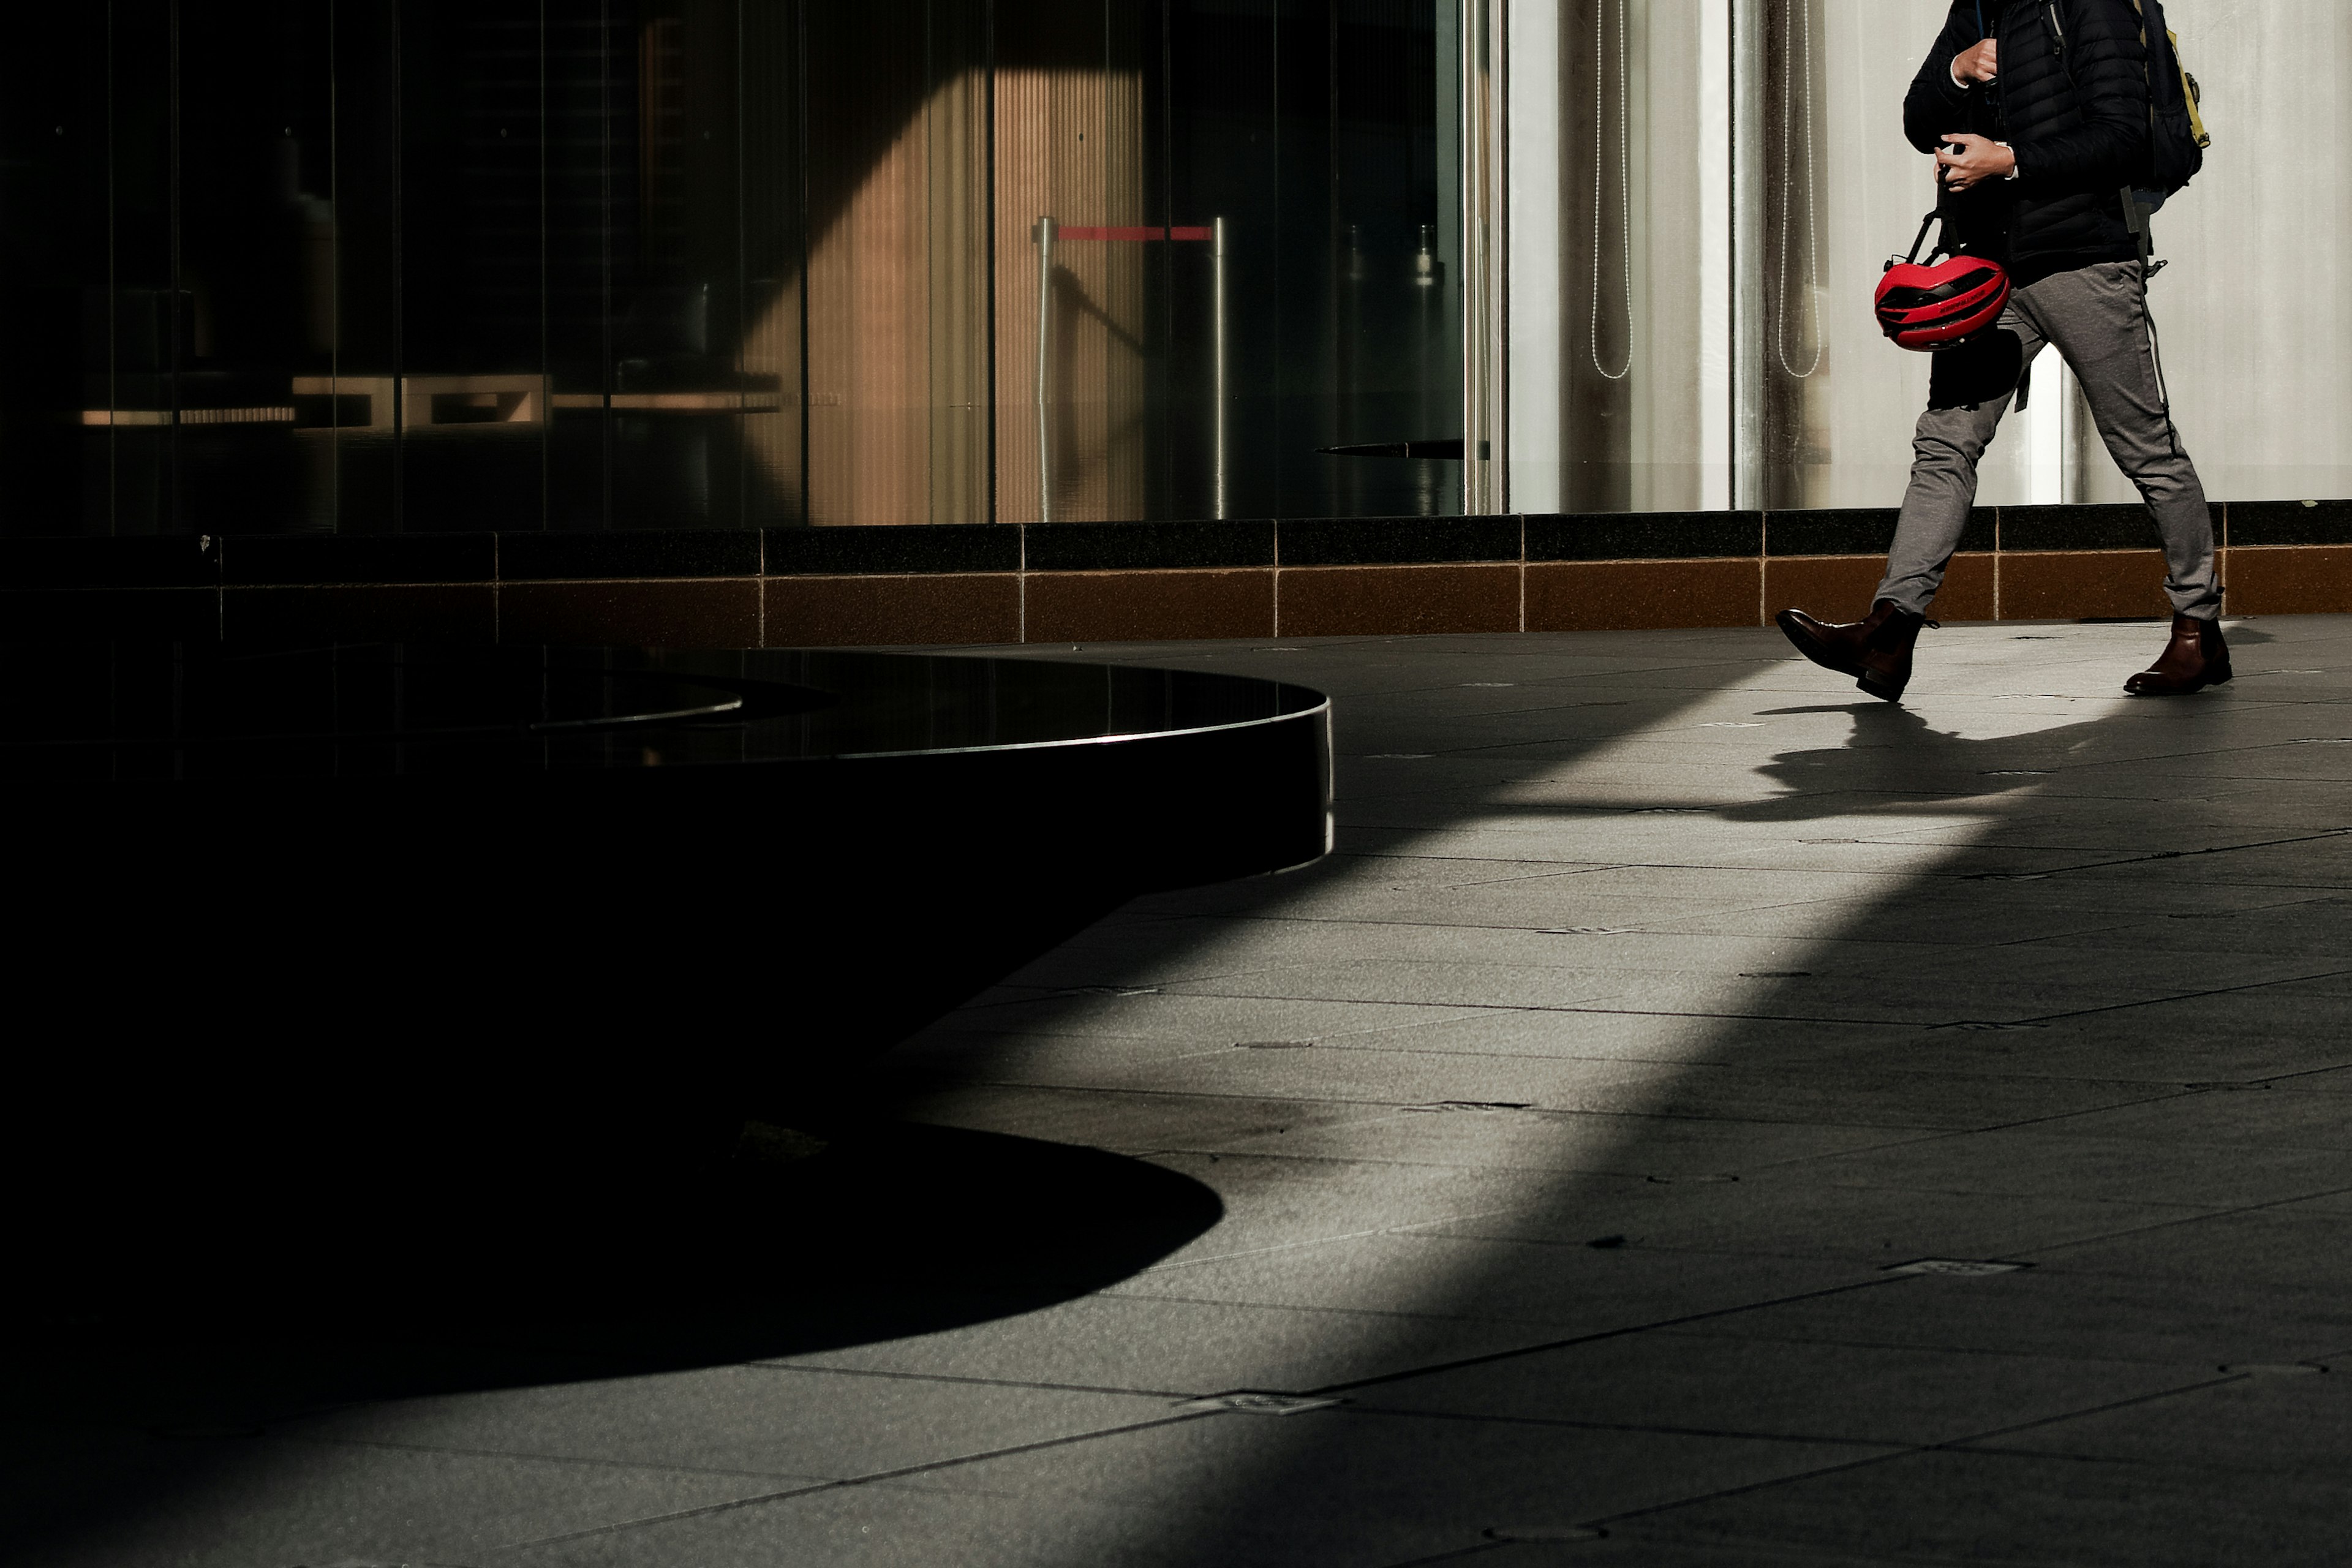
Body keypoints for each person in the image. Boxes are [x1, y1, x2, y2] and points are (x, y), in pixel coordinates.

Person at [1777, 0, 2226, 702]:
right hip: (1986, 272)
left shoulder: (2091, 4)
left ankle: (2198, 630)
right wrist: (1957, 72)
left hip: (2082, 262)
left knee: (2144, 446)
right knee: (1945, 441)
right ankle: (1891, 630)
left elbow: (2125, 138)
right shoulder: (1979, 4)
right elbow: (1918, 119)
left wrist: (2009, 160)